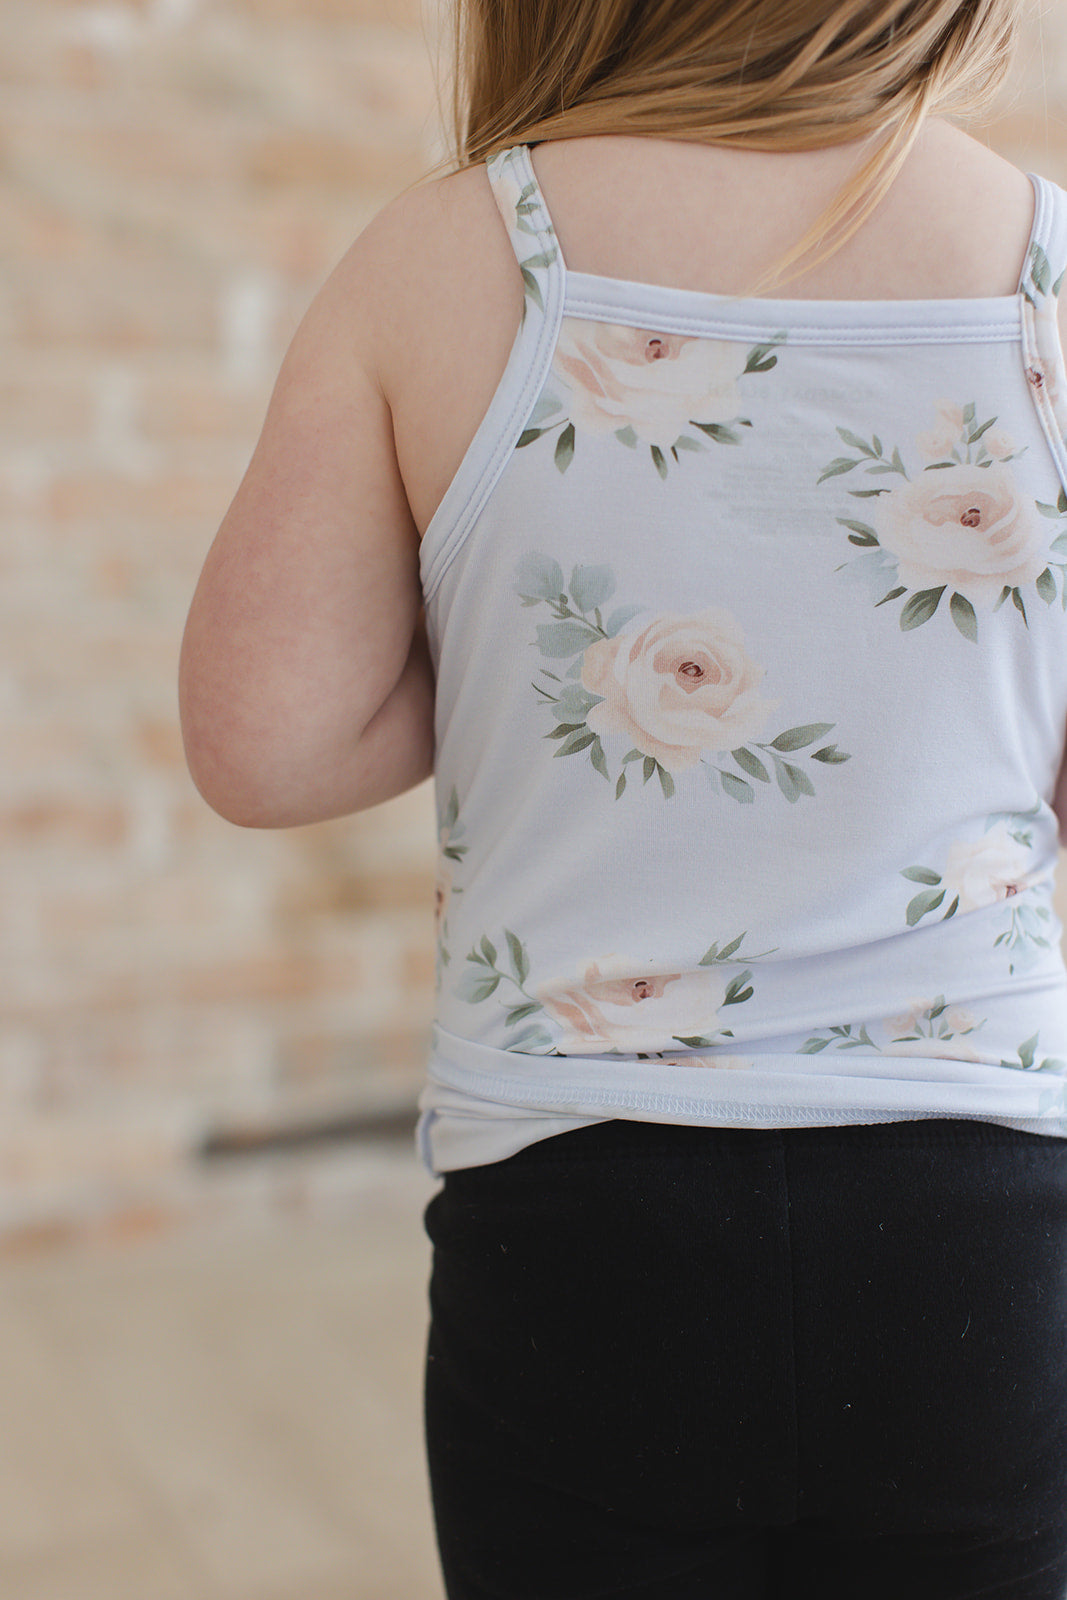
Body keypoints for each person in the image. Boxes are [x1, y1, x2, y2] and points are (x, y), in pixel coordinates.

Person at [179, 0, 1067, 1593]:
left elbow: (267, 743)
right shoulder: (1046, 269)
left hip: (580, 1229)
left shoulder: (458, 253)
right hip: (979, 1239)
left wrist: (535, 674)